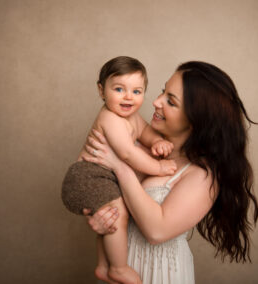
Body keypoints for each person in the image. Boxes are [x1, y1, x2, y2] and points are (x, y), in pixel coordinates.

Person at [82, 61, 258, 284]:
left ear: (196, 119)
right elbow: (105, 195)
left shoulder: (201, 174)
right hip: (120, 271)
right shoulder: (139, 149)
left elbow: (156, 231)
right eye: (162, 91)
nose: (156, 102)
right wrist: (99, 221)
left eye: (170, 101)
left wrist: (119, 166)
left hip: (159, 274)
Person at [61, 56, 177, 284]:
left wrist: (156, 142)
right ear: (101, 90)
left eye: (136, 91)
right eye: (119, 89)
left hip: (103, 177)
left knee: (111, 215)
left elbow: (145, 133)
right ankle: (118, 267)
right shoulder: (110, 118)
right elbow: (127, 154)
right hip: (87, 176)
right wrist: (159, 166)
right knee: (118, 214)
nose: (128, 97)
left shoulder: (132, 117)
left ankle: (104, 266)